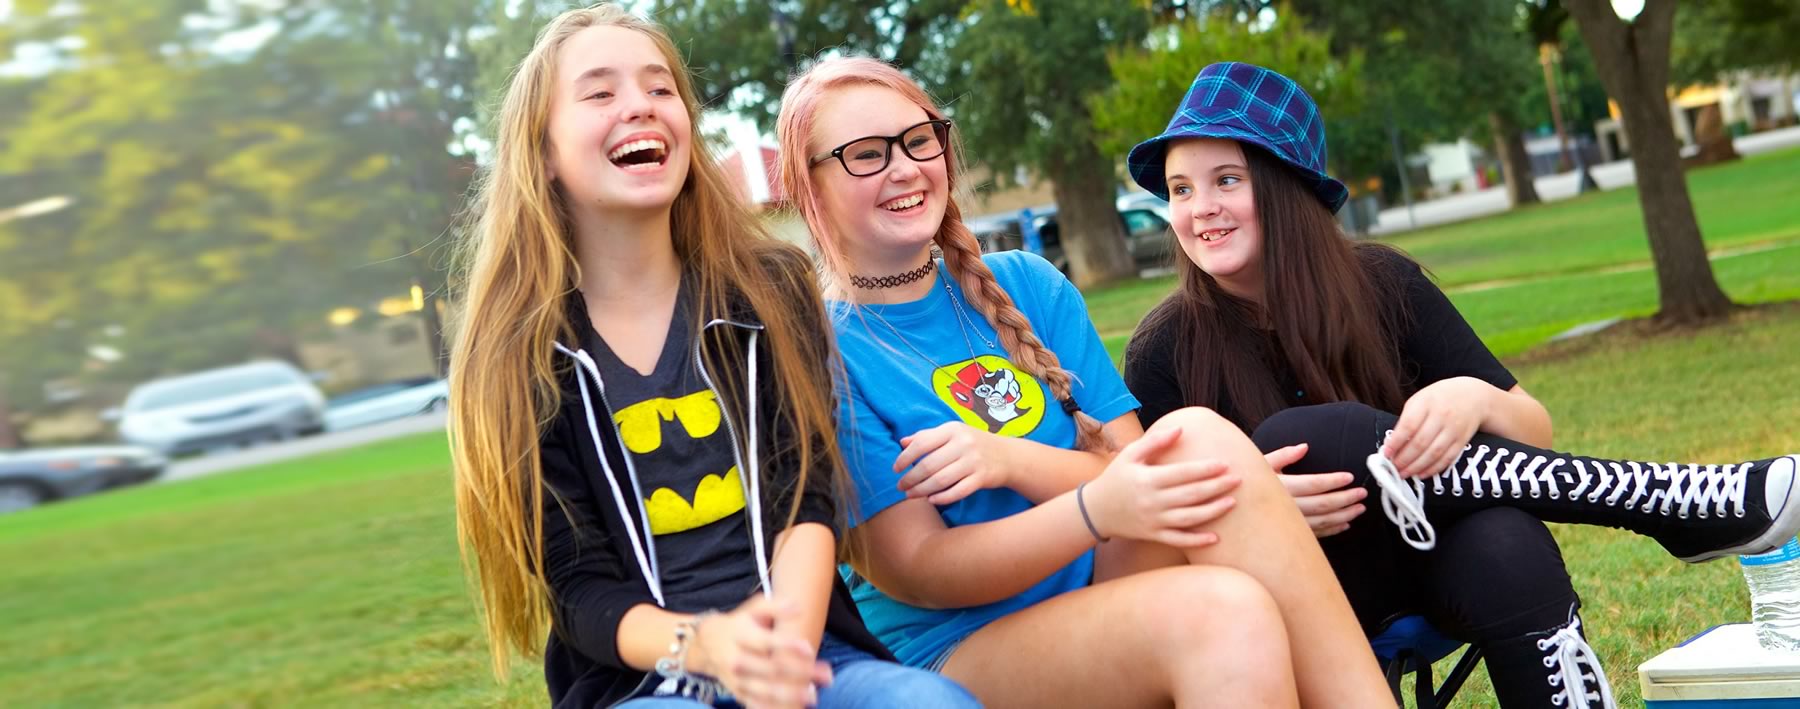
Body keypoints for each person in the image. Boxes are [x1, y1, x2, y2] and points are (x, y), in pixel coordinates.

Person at [1121, 61, 1800, 709]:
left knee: (1505, 540)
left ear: (1284, 188)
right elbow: (1150, 541)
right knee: (1304, 439)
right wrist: (1257, 517)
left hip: (1427, 565)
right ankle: (1670, 503)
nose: (1199, 208)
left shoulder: (1383, 284)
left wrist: (1474, 399)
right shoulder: (1162, 350)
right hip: (1286, 599)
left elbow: (1532, 430)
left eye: (1226, 181)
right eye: (1181, 189)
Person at [776, 55, 1398, 708]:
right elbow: (921, 571)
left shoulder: (1027, 286)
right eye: (865, 154)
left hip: (1103, 577)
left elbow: (1136, 471)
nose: (904, 167)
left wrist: (1012, 460)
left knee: (1196, 436)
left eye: (918, 139)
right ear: (807, 186)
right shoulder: (818, 346)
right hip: (959, 647)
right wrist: (1095, 507)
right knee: (1222, 613)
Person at [445, 6, 977, 708]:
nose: (640, 106)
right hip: (644, 681)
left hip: (810, 652)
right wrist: (705, 646)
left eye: (660, 89)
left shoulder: (770, 288)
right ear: (542, 151)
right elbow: (578, 588)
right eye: (601, 93)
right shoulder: (520, 352)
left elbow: (806, 496)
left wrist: (783, 650)